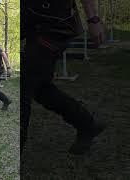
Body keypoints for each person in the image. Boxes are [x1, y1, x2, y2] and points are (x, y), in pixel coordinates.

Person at [23, 0, 106, 155]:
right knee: (40, 88)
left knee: (25, 83)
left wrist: (93, 18)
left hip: (54, 24)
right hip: (33, 22)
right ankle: (87, 124)